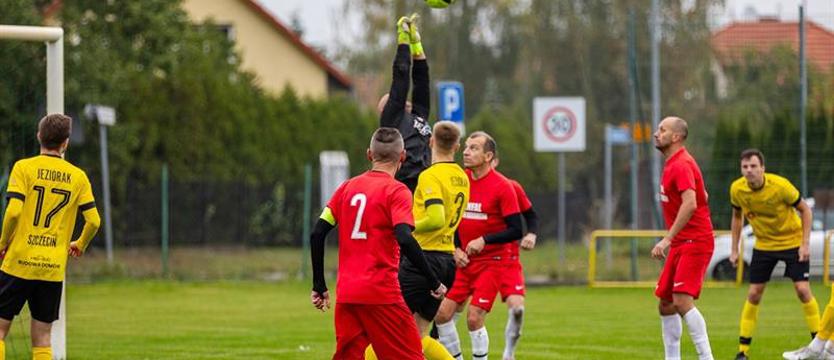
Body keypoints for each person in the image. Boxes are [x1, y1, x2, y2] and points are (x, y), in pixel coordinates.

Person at [309, 127, 447, 360]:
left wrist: (319, 285)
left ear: (369, 155)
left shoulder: (346, 188)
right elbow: (404, 236)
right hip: (381, 293)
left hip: (347, 294)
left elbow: (318, 233)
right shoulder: (397, 191)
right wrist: (433, 281)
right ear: (402, 156)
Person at [0, 114, 101, 360]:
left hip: (18, 263)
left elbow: (13, 212)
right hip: (52, 268)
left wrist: (2, 243)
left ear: (39, 136)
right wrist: (80, 243)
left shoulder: (24, 168)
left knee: (0, 329)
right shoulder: (78, 177)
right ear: (65, 142)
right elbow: (94, 221)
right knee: (43, 338)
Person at [365, 121, 467, 360]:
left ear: (431, 142)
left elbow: (436, 218)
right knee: (418, 337)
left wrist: (403, 226)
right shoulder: (462, 177)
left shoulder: (431, 176)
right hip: (446, 260)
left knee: (383, 332)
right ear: (458, 146)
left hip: (423, 260)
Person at [434, 131, 523, 360]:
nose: (466, 151)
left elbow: (516, 230)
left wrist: (485, 240)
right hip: (464, 262)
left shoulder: (503, 186)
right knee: (442, 315)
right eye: (465, 146)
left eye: (474, 148)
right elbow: (448, 220)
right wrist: (455, 249)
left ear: (488, 155)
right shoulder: (459, 181)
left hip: (493, 263)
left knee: (474, 317)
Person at [723, 149, 819, 360]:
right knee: (754, 293)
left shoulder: (780, 186)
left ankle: (819, 345)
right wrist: (733, 248)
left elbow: (806, 210)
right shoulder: (737, 189)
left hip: (792, 242)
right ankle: (742, 352)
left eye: (753, 166)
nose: (749, 171)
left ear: (762, 168)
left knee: (802, 290)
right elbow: (737, 217)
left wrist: (804, 244)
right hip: (764, 245)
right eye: (745, 167)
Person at [650, 116, 714, 360]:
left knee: (681, 302)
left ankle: (706, 357)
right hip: (682, 242)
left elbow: (690, 203)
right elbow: (703, 195)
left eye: (662, 130)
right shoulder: (674, 163)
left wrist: (666, 239)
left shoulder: (681, 164)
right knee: (666, 304)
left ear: (676, 137)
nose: (657, 134)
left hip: (694, 242)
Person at [377, 14, 432, 192]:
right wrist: (402, 40)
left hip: (423, 187)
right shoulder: (392, 121)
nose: (404, 102)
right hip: (402, 187)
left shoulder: (419, 116)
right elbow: (401, 78)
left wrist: (416, 45)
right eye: (395, 101)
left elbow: (422, 82)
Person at [492, 159, 538, 360]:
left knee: (517, 308)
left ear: (494, 160)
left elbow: (531, 216)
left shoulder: (510, 187)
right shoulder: (465, 184)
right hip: (475, 258)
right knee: (448, 313)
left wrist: (531, 234)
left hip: (507, 258)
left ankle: (508, 353)